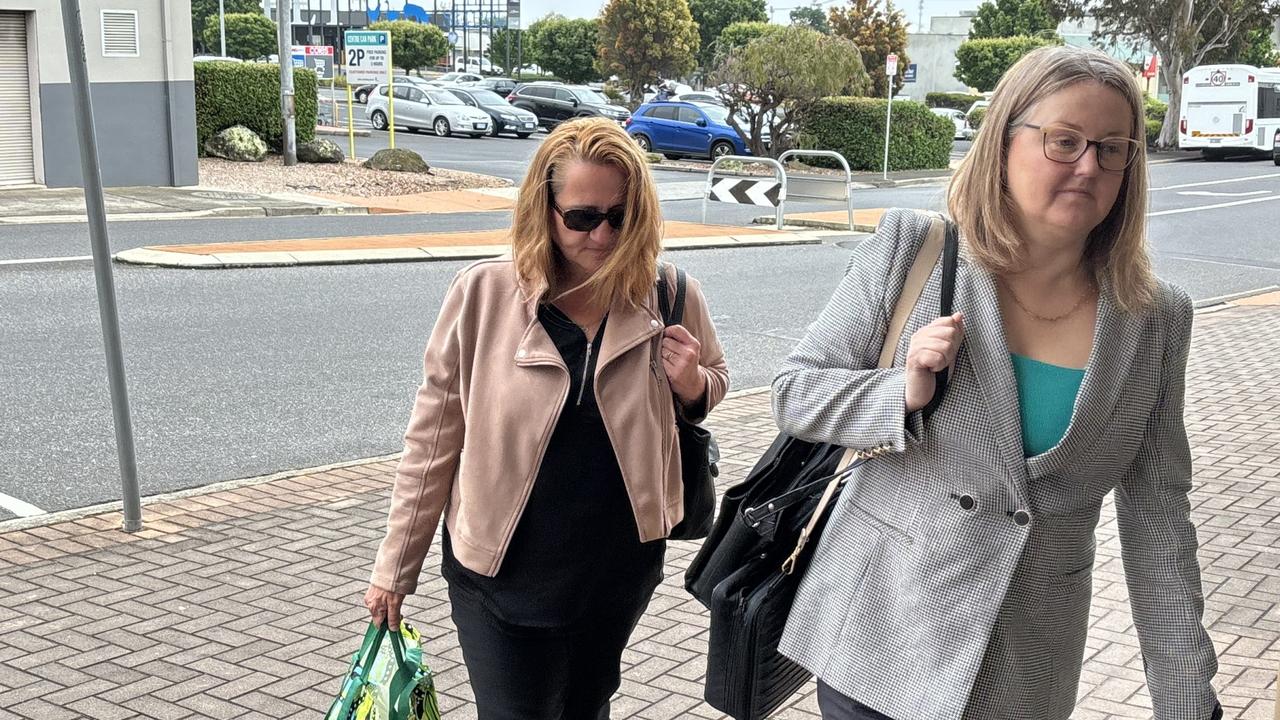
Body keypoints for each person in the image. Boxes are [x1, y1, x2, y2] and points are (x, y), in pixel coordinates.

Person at [771, 46, 1222, 720]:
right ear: (1004, 141)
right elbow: (794, 393)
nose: (1088, 166)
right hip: (881, 639)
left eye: (1112, 148)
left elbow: (1157, 514)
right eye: (1064, 141)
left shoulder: (1155, 318)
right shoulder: (917, 252)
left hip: (1026, 669)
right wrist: (903, 392)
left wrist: (1187, 697)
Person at [363, 116, 728, 720]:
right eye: (583, 217)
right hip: (498, 570)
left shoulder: (671, 294)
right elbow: (432, 442)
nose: (604, 236)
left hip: (616, 570)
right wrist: (394, 570)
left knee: (586, 707)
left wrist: (692, 384)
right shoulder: (482, 295)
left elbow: (711, 381)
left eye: (620, 216)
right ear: (545, 208)